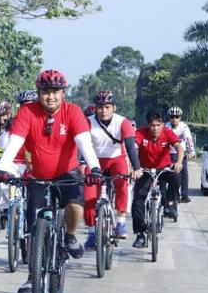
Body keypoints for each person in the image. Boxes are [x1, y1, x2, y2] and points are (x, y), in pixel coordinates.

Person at [0, 69, 101, 293]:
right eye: (45, 92)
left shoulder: (72, 112)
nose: (50, 96)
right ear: (38, 92)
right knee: (34, 228)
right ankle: (32, 277)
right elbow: (15, 143)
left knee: (75, 205)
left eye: (55, 92)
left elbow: (84, 144)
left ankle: (70, 236)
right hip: (37, 176)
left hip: (67, 173)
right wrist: (2, 167)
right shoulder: (27, 112)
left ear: (63, 93)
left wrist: (94, 167)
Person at [83, 90, 143, 250]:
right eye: (100, 107)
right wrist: (81, 163)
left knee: (123, 184)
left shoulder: (123, 122)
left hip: (116, 159)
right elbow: (81, 144)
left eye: (107, 107)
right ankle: (91, 232)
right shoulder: (88, 122)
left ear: (114, 107)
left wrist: (137, 168)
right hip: (94, 161)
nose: (103, 110)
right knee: (89, 195)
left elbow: (130, 146)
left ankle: (121, 223)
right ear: (96, 108)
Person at [131, 111, 184, 248]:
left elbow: (179, 147)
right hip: (145, 170)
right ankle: (140, 234)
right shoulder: (140, 133)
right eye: (152, 125)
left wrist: (178, 162)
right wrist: (134, 167)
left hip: (163, 168)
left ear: (162, 124)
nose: (155, 128)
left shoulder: (167, 133)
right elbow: (133, 147)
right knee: (138, 200)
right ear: (148, 125)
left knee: (176, 177)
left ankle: (169, 204)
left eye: (158, 125)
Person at [166, 106, 195, 203]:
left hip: (181, 155)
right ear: (169, 118)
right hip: (169, 154)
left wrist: (192, 151)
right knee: (171, 175)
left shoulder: (184, 127)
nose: (174, 119)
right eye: (172, 117)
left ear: (180, 118)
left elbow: (188, 139)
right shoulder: (166, 127)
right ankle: (173, 195)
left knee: (184, 174)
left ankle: (185, 195)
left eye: (176, 117)